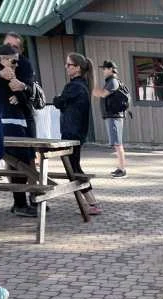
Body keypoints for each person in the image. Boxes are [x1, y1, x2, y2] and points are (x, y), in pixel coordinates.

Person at [52, 53, 101, 216]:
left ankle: (92, 203)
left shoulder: (74, 86)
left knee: (73, 168)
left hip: (72, 133)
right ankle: (89, 202)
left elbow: (59, 102)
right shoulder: (83, 85)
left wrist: (58, 98)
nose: (66, 67)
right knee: (73, 167)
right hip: (76, 133)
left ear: (78, 68)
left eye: (69, 65)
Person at [0, 42, 37, 216]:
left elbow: (28, 99)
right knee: (19, 165)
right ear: (2, 59)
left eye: (17, 61)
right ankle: (20, 204)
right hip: (8, 124)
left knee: (19, 164)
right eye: (13, 61)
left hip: (20, 122)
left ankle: (21, 202)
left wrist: (20, 92)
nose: (16, 65)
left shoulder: (16, 75)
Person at [92, 60, 127, 177]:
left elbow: (103, 94)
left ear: (111, 69)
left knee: (118, 144)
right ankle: (120, 167)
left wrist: (91, 88)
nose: (103, 71)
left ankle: (122, 170)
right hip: (113, 116)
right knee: (117, 143)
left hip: (114, 116)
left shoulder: (113, 82)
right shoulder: (111, 81)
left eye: (105, 68)